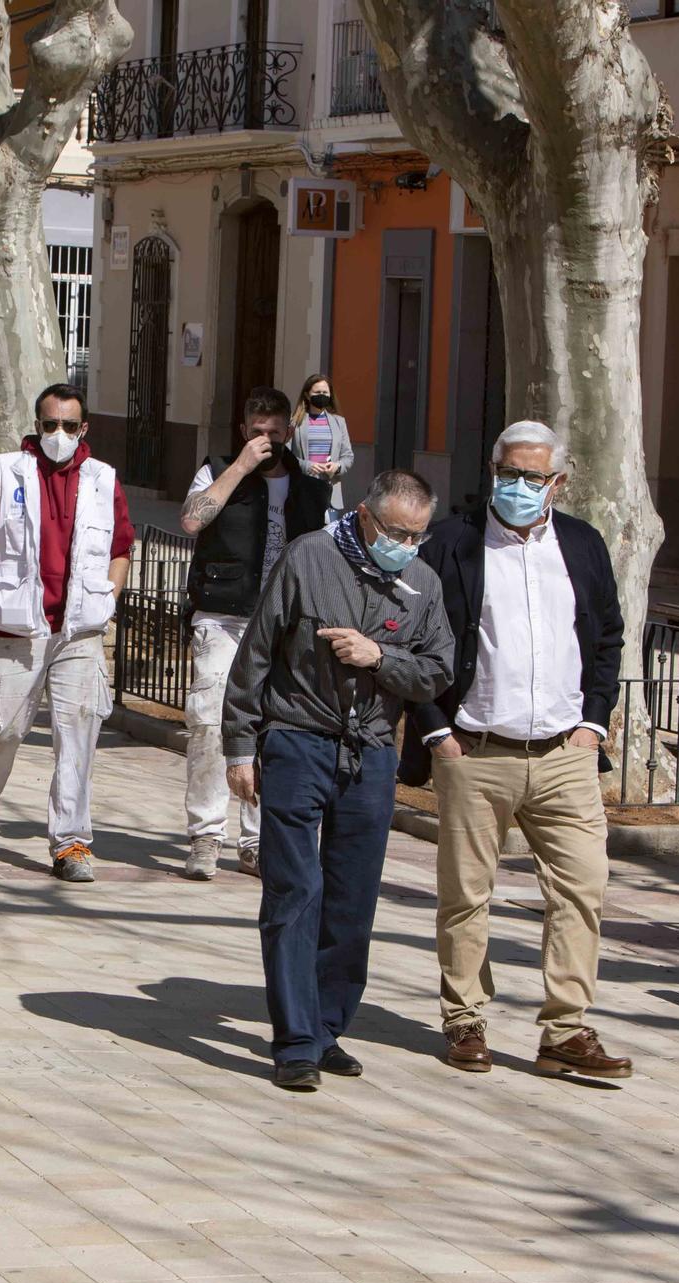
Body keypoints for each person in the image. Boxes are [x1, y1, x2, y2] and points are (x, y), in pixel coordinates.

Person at [400, 421, 631, 1080]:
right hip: (476, 751)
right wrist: (437, 730)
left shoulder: (582, 546)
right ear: (492, 470)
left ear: (559, 482)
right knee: (467, 893)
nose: (520, 487)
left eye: (534, 476)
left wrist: (594, 723)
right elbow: (412, 638)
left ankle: (565, 1029)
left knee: (583, 887)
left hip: (565, 753)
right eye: (509, 473)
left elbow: (607, 636)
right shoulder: (452, 542)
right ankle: (465, 1017)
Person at [221, 469, 453, 1091]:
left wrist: (381, 659)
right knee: (295, 891)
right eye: (397, 532)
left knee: (352, 901)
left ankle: (327, 1029)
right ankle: (294, 1040)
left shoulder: (422, 583)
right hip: (298, 741)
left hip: (371, 752)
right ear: (368, 518)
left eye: (418, 534)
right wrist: (241, 745)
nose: (406, 543)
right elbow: (257, 655)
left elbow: (437, 672)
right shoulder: (309, 557)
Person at [0, 383, 134, 883]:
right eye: (50, 424)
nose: (59, 434)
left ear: (84, 429)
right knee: (1, 728)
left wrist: (110, 595)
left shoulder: (102, 479)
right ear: (36, 426)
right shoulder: (6, 470)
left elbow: (122, 545)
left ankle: (71, 842)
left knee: (78, 735)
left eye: (69, 426)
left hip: (78, 630)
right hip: (14, 625)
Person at [178, 387, 330, 882]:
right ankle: (205, 835)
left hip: (282, 624)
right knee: (207, 721)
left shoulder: (309, 484)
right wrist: (240, 467)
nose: (267, 440)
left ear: (289, 431)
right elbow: (190, 520)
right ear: (244, 431)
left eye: (275, 432)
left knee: (271, 731)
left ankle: (256, 841)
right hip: (221, 615)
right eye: (257, 432)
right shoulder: (217, 468)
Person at [291, 373, 354, 522]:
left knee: (326, 539)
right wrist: (307, 465)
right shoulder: (295, 423)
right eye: (317, 392)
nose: (322, 395)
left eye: (325, 392)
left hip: (330, 492)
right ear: (307, 395)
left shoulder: (339, 422)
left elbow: (348, 456)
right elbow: (286, 455)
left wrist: (337, 466)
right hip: (303, 489)